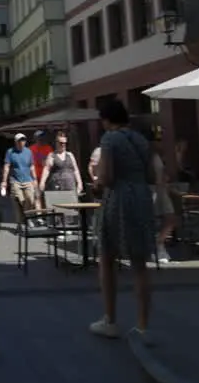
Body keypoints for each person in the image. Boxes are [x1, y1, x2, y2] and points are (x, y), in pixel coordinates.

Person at [90, 100, 156, 344]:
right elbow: (151, 174)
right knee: (140, 264)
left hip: (118, 199)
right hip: (142, 197)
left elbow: (106, 177)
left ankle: (110, 320)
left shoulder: (109, 139)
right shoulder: (141, 140)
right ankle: (143, 326)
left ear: (107, 120)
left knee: (107, 257)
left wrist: (97, 184)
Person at [0, 133, 39, 223]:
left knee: (30, 199)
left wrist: (35, 179)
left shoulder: (28, 152)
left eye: (23, 140)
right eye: (20, 140)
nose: (22, 142)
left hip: (28, 180)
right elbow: (7, 166)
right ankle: (20, 222)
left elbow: (32, 166)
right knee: (19, 201)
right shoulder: (10, 152)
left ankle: (26, 217)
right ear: (15, 142)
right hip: (15, 181)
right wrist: (4, 181)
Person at [39, 130, 84, 197]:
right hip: (57, 187)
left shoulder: (70, 155)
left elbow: (76, 170)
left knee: (72, 205)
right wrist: (42, 182)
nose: (63, 145)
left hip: (70, 186)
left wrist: (80, 183)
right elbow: (46, 169)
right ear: (56, 143)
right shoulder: (52, 155)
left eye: (65, 143)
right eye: (61, 143)